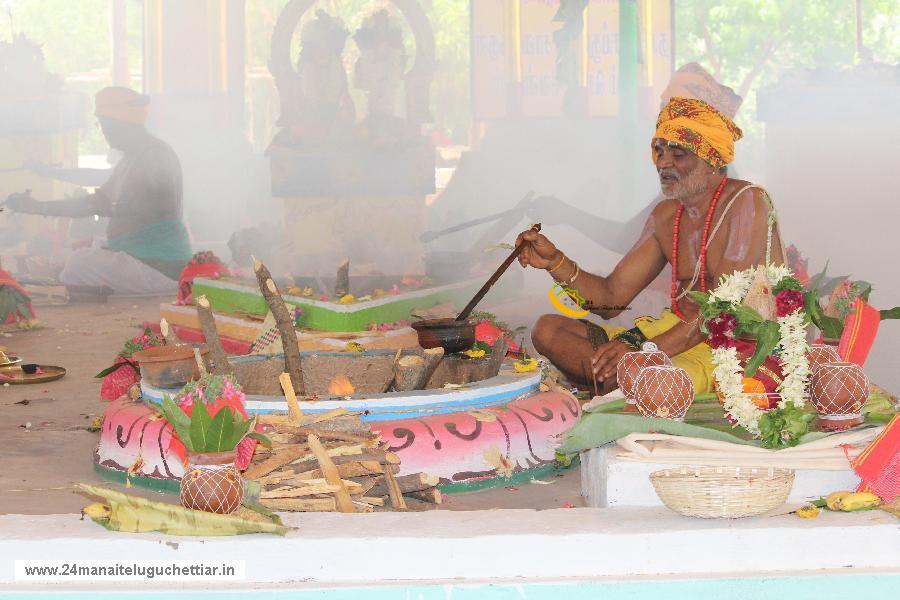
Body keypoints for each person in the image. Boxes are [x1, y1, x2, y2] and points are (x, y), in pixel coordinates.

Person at [516, 96, 784, 394]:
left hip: (732, 346)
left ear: (712, 158)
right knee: (549, 330)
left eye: (678, 153)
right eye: (658, 150)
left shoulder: (747, 201)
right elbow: (610, 298)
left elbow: (723, 309)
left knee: (657, 382)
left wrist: (646, 353)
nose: (663, 162)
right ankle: (623, 381)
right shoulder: (666, 216)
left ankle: (626, 382)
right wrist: (555, 261)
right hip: (669, 336)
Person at [5, 87, 191, 295]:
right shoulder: (132, 158)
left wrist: (111, 207)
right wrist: (37, 206)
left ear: (120, 124)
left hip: (159, 269)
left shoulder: (154, 155)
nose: (103, 132)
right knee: (82, 258)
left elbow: (108, 204)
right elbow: (96, 200)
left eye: (103, 125)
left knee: (79, 263)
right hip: (145, 261)